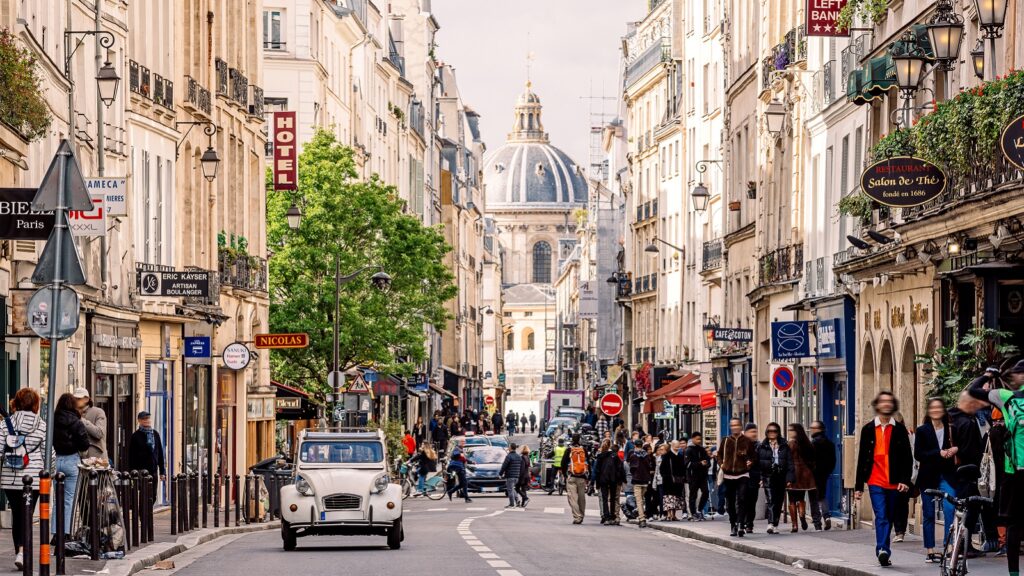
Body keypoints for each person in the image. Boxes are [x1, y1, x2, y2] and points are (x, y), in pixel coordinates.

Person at [968, 363, 1024, 576]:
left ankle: (1014, 574)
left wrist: (987, 375)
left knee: (1014, 524)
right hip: (1013, 471)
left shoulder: (1006, 397)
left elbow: (973, 390)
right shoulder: (1006, 396)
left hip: (1014, 472)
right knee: (1014, 525)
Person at [854, 391, 913, 567]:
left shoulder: (899, 429)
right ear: (877, 406)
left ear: (893, 405)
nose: (886, 404)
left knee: (890, 515)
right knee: (881, 515)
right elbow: (862, 457)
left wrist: (905, 480)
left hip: (894, 481)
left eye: (889, 401)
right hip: (875, 480)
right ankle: (883, 550)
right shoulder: (868, 429)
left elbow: (907, 458)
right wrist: (858, 486)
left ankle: (884, 549)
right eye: (883, 402)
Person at [0, 388, 46, 570]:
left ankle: (19, 550)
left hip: (10, 478)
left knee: (17, 515)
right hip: (33, 477)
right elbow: (48, 453)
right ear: (35, 404)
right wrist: (48, 474)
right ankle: (22, 551)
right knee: (27, 515)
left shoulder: (5, 424)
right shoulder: (41, 424)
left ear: (16, 402)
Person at [915, 397, 957, 563]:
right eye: (933, 408)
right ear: (928, 411)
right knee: (928, 514)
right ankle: (930, 550)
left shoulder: (951, 428)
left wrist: (955, 449)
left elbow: (959, 445)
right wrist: (937, 453)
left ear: (944, 410)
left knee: (950, 509)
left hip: (947, 475)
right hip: (927, 477)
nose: (936, 410)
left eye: (939, 407)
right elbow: (918, 454)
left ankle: (949, 548)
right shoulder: (922, 430)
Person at [950, 390, 989, 556]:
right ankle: (964, 546)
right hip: (968, 473)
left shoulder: (952, 418)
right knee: (971, 508)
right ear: (970, 404)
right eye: (977, 404)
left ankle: (961, 545)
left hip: (955, 474)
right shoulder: (968, 423)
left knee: (962, 509)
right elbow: (970, 450)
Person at [53, 392, 90, 536]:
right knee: (69, 499)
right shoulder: (76, 421)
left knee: (58, 499)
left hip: (56, 460)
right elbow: (84, 444)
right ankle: (66, 532)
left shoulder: (52, 420)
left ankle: (56, 533)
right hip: (71, 460)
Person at [719, 418, 756, 537]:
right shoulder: (725, 441)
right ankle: (733, 524)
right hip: (728, 474)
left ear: (741, 427)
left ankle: (741, 524)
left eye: (737, 425)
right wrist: (721, 464)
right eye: (732, 425)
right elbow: (719, 455)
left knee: (742, 499)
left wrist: (750, 462)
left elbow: (754, 456)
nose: (734, 427)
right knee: (730, 502)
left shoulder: (747, 441)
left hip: (742, 474)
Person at [756, 422, 793, 534]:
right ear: (767, 432)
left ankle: (775, 524)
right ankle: (770, 523)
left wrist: (789, 479)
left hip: (780, 475)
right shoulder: (762, 446)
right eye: (770, 431)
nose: (772, 433)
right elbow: (758, 464)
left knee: (778, 501)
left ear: (778, 432)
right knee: (771, 499)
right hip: (768, 475)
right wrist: (761, 478)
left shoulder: (784, 445)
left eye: (774, 431)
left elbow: (790, 463)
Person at [787, 423, 819, 532]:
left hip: (793, 474)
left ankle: (794, 525)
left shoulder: (791, 443)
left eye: (791, 430)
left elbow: (787, 459)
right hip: (806, 475)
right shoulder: (807, 443)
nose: (789, 431)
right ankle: (802, 517)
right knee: (801, 498)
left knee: (791, 499)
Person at [127, 411, 166, 490]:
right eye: (144, 419)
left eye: (148, 418)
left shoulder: (155, 434)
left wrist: (162, 472)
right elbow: (131, 456)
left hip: (153, 470)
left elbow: (160, 453)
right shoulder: (135, 436)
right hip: (141, 471)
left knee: (153, 495)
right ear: (139, 421)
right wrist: (132, 473)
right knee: (143, 494)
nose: (147, 420)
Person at [809, 420, 837, 530]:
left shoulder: (813, 443)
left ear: (818, 429)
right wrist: (828, 471)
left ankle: (818, 521)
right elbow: (833, 460)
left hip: (814, 473)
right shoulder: (830, 443)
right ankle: (826, 516)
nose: (811, 430)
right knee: (822, 496)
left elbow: (810, 459)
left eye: (812, 428)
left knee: (814, 497)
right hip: (824, 473)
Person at [560, 434, 590, 524]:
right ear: (580, 440)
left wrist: (565, 475)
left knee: (573, 498)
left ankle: (577, 517)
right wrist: (589, 476)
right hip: (582, 477)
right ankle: (582, 514)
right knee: (581, 498)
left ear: (572, 440)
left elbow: (563, 463)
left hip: (571, 476)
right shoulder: (583, 450)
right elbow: (588, 462)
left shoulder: (569, 450)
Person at [594, 439, 625, 525]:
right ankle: (612, 516)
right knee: (612, 499)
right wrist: (622, 480)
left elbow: (597, 470)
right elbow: (620, 468)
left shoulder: (600, 456)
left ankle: (606, 517)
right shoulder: (614, 456)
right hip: (613, 479)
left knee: (604, 499)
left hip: (603, 480)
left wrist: (596, 482)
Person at [72, 387, 107, 461]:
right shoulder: (71, 413)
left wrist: (81, 420)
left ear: (86, 399)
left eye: (78, 398)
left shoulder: (98, 412)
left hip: (96, 459)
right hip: (77, 458)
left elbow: (99, 433)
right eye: (74, 398)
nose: (76, 401)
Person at [627, 441, 655, 528]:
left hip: (637, 480)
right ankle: (641, 513)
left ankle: (642, 519)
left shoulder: (633, 455)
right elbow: (648, 467)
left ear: (635, 446)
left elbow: (632, 468)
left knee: (639, 501)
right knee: (642, 500)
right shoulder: (646, 455)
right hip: (645, 480)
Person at [685, 431, 711, 520]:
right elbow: (687, 464)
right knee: (693, 495)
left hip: (703, 476)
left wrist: (706, 463)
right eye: (697, 439)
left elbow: (708, 461)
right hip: (693, 476)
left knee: (706, 492)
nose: (699, 441)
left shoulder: (702, 449)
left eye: (700, 439)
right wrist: (700, 463)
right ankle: (693, 513)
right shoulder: (689, 450)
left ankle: (699, 509)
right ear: (692, 439)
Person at [660, 440, 685, 521]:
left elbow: (683, 468)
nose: (678, 447)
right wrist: (666, 476)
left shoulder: (680, 456)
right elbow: (662, 468)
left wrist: (682, 477)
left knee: (676, 497)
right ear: (672, 446)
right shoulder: (667, 455)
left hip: (678, 481)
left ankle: (674, 515)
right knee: (669, 497)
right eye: (676, 445)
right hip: (668, 481)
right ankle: (668, 514)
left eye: (678, 445)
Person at [742, 423, 760, 532]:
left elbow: (762, 461)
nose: (754, 434)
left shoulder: (760, 446)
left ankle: (749, 524)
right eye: (752, 432)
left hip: (754, 477)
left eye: (755, 431)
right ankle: (741, 522)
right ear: (746, 433)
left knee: (752, 502)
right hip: (740, 477)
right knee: (741, 500)